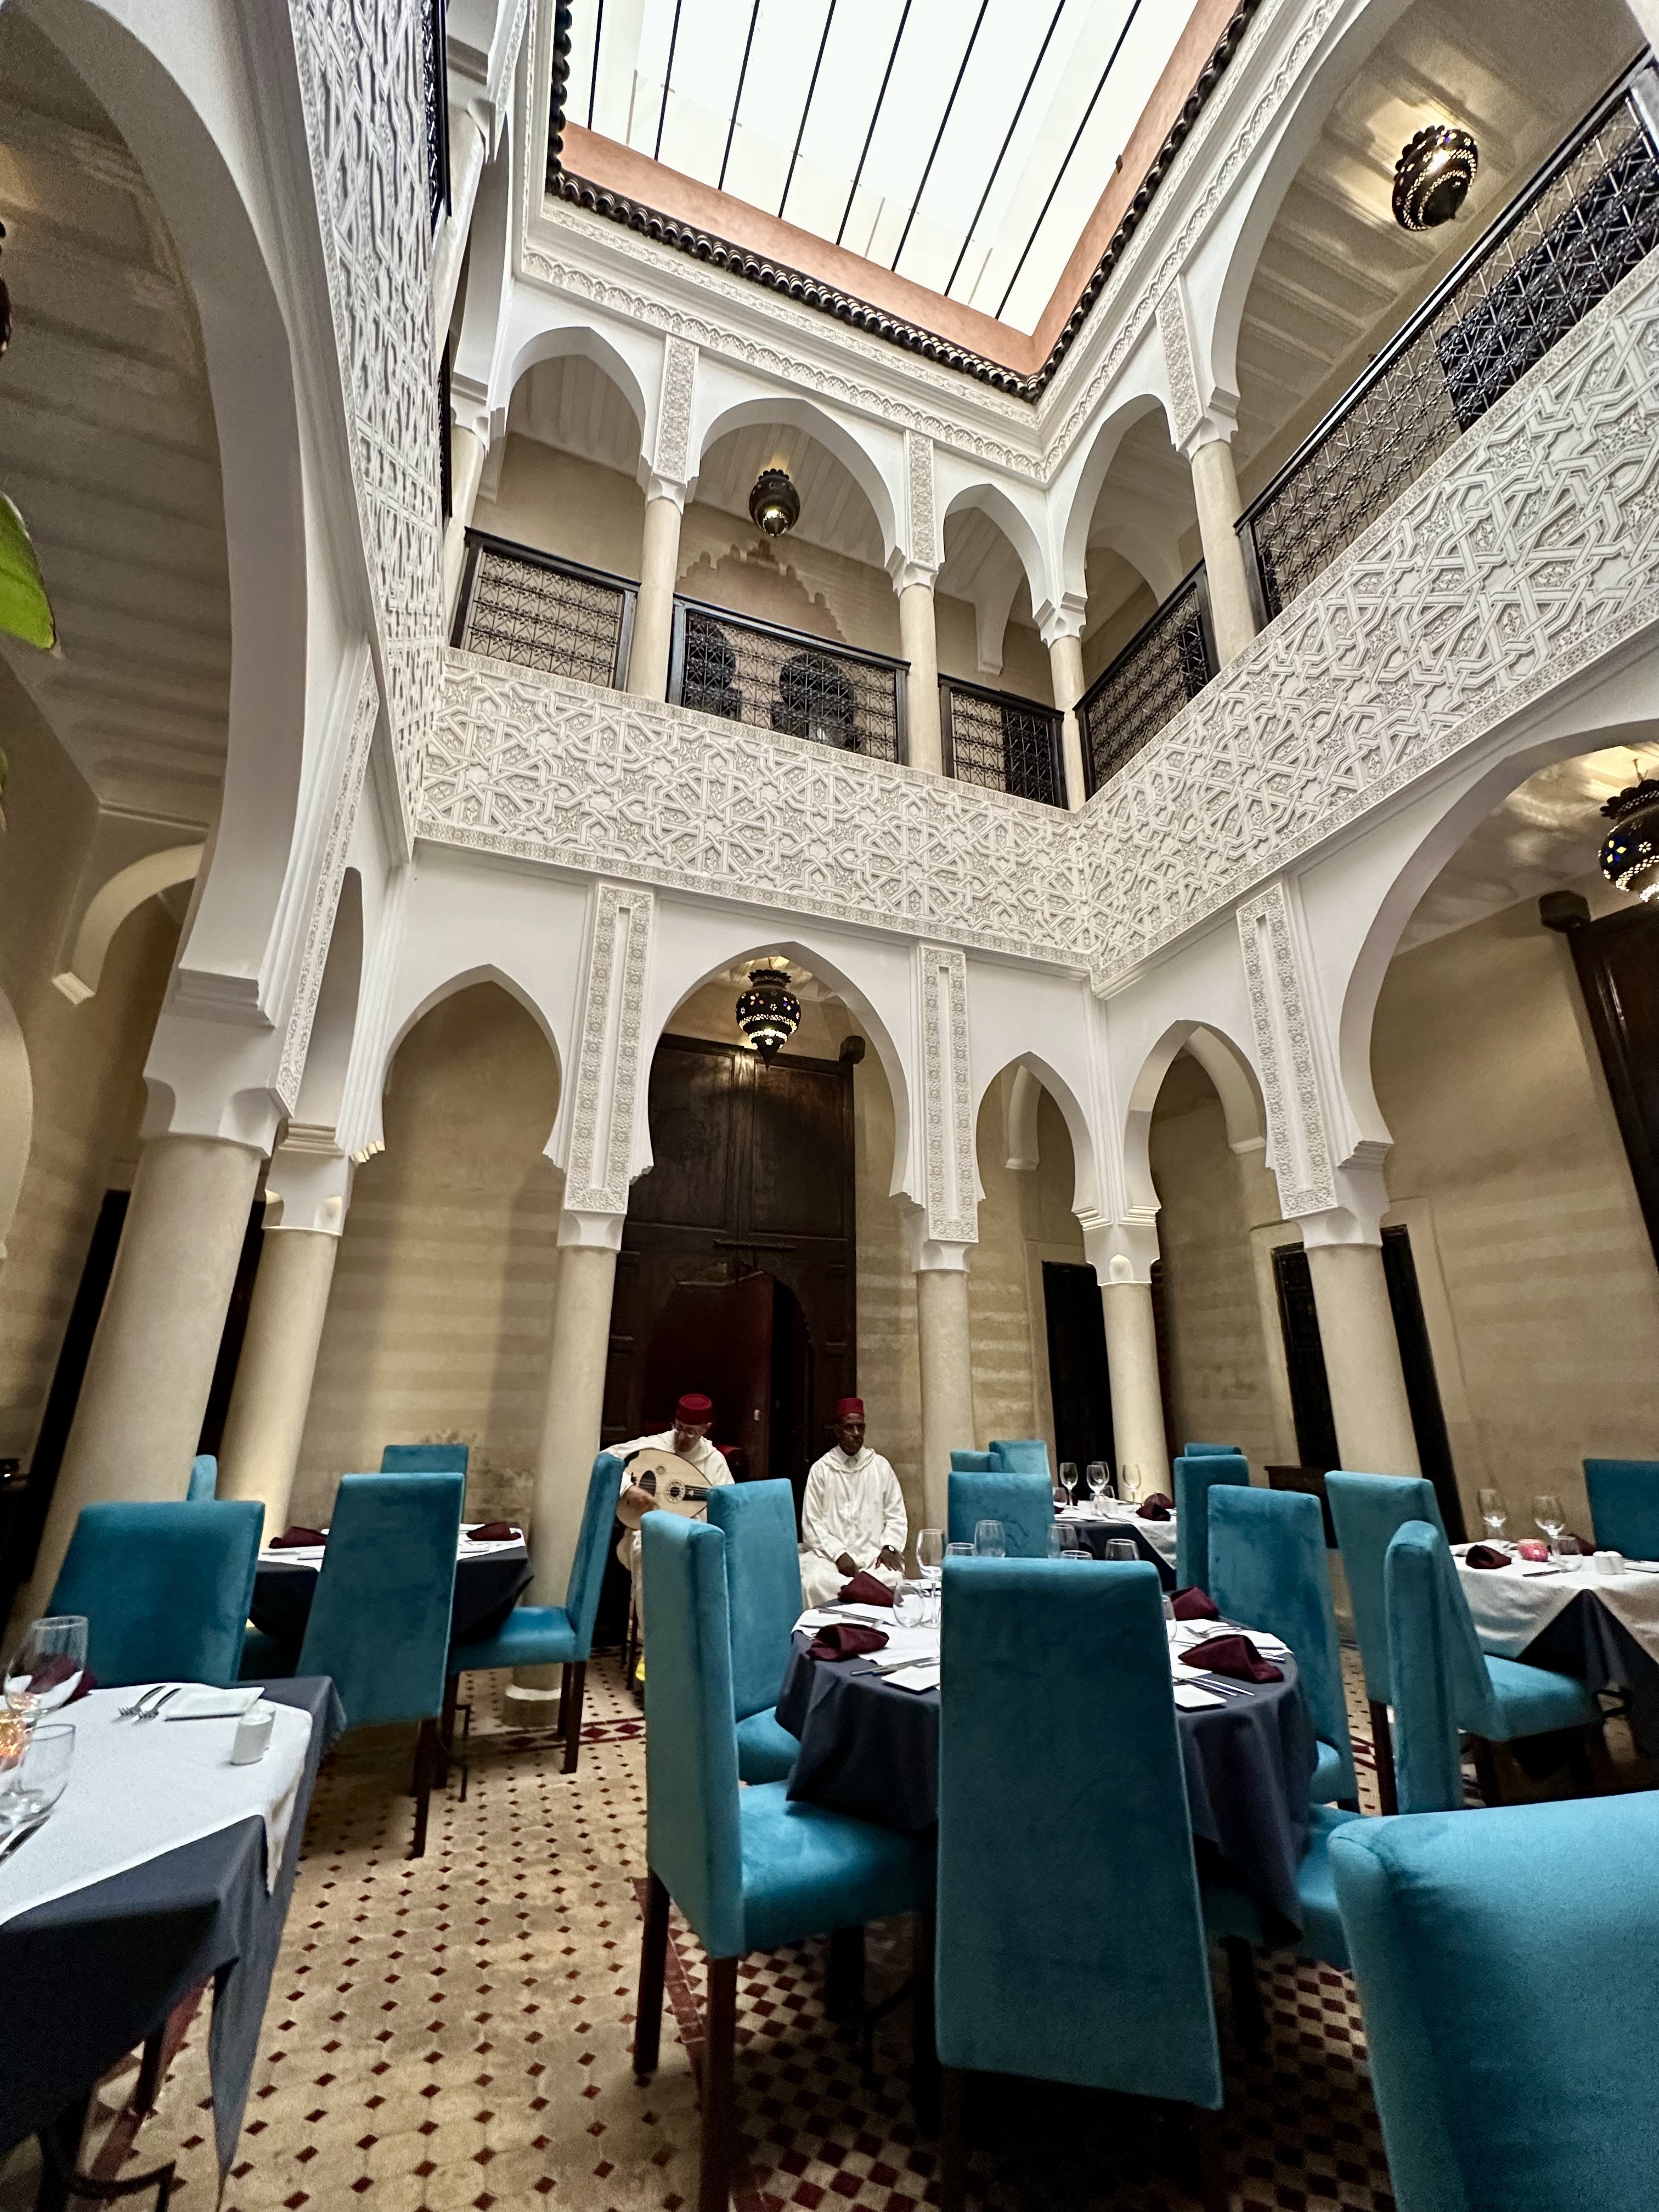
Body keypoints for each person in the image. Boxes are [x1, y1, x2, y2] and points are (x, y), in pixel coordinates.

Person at [612, 1393, 732, 1676]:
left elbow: (728, 1507)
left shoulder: (714, 1462)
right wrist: (628, 1489)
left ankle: (692, 1654)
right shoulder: (655, 1445)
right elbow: (605, 1461)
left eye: (691, 1432)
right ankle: (652, 1650)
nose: (682, 1437)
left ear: (706, 1429)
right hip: (647, 1532)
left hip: (692, 1538)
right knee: (648, 1551)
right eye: (679, 1428)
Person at [798, 1398, 907, 1609]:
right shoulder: (821, 1470)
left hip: (874, 1558)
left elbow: (896, 1515)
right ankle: (833, 1628)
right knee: (814, 1582)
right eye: (849, 1427)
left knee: (893, 1579)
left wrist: (889, 1547)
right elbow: (812, 1523)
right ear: (837, 1431)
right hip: (830, 1561)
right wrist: (838, 1554)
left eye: (860, 1427)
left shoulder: (880, 1467)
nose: (856, 1433)